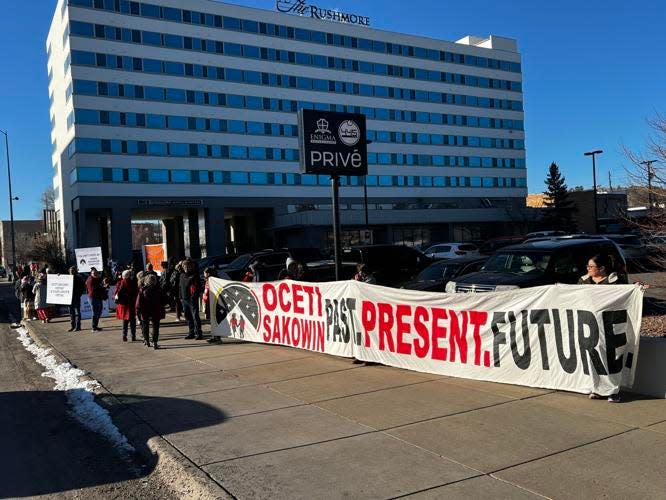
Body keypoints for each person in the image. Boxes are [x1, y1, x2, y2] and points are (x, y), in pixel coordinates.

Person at [136, 274, 164, 349]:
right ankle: (155, 342)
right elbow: (163, 300)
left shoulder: (142, 290)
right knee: (155, 327)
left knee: (145, 326)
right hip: (156, 310)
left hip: (145, 310)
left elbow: (138, 303)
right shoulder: (158, 289)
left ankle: (147, 341)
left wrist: (138, 310)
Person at [179, 259, 203, 340]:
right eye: (184, 266)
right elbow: (180, 287)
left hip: (192, 299)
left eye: (187, 266)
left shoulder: (195, 275)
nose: (186, 267)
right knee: (188, 316)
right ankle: (191, 332)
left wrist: (194, 296)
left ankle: (199, 333)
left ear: (191, 266)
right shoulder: (182, 275)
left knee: (195, 316)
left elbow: (198, 287)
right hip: (184, 299)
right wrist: (180, 297)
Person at [115, 269, 139, 342]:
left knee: (125, 321)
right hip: (131, 304)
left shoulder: (120, 283)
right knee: (132, 321)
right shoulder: (133, 283)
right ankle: (133, 336)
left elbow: (116, 294)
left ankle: (124, 336)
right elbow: (136, 293)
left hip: (124, 305)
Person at [86, 267, 108, 332]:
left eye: (96, 273)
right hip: (93, 297)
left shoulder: (96, 279)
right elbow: (95, 289)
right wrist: (104, 287)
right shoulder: (91, 280)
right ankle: (93, 327)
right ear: (91, 274)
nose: (95, 274)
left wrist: (103, 285)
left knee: (99, 312)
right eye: (94, 273)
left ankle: (95, 326)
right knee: (95, 313)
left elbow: (100, 285)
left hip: (97, 297)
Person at [68, 266, 86, 332]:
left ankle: (78, 326)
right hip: (69, 298)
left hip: (76, 297)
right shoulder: (67, 278)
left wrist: (78, 294)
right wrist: (59, 276)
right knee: (71, 312)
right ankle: (72, 326)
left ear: (75, 271)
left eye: (73, 270)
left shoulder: (79, 278)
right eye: (70, 270)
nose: (71, 271)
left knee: (77, 312)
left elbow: (83, 287)